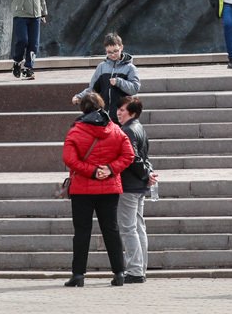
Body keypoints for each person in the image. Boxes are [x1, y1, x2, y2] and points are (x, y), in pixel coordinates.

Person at [61, 91, 135, 287]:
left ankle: (78, 275)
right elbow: (128, 155)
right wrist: (110, 169)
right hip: (109, 188)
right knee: (111, 230)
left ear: (82, 108)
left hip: (82, 190)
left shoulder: (76, 130)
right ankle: (119, 273)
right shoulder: (116, 129)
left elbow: (69, 159)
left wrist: (93, 172)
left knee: (82, 232)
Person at [116, 96, 156, 284]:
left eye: (122, 110)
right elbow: (143, 156)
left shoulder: (128, 130)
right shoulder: (139, 128)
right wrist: (147, 174)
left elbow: (132, 157)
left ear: (132, 112)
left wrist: (144, 175)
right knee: (138, 227)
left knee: (128, 228)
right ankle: (140, 267)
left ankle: (134, 269)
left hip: (129, 185)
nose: (118, 112)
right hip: (138, 186)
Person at [71, 33, 141, 122]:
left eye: (115, 51)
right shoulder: (101, 67)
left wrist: (119, 82)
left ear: (121, 47)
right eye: (109, 52)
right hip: (104, 116)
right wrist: (80, 97)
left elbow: (135, 88)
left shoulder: (130, 68)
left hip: (122, 117)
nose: (112, 55)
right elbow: (93, 89)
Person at [11, 0, 47, 79]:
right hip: (20, 14)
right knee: (22, 40)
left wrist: (43, 12)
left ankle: (28, 68)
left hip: (35, 15)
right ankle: (17, 61)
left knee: (33, 43)